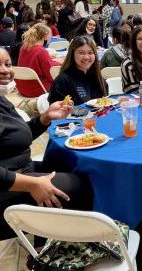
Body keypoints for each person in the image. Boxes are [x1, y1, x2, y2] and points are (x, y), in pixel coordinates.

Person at [0, 47, 92, 240]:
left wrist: (46, 117)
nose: (4, 70)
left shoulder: (2, 100)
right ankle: (63, 249)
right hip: (7, 187)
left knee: (72, 166)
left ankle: (45, 241)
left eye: (7, 64)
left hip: (20, 170)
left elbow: (14, 139)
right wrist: (32, 184)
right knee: (82, 185)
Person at [48, 36, 107, 105]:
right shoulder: (62, 80)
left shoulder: (97, 77)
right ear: (72, 55)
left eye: (90, 53)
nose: (86, 57)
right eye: (81, 53)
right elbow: (55, 110)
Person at [16, 23, 61, 97]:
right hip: (37, 89)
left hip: (21, 88)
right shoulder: (41, 51)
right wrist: (59, 62)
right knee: (64, 80)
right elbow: (51, 74)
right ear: (45, 36)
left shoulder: (24, 47)